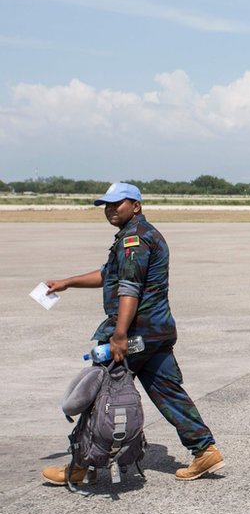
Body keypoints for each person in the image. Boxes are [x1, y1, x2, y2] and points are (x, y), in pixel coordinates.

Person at [42, 183, 224, 484]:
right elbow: (108, 274)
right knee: (168, 391)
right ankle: (204, 450)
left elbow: (129, 288)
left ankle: (80, 465)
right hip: (158, 331)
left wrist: (119, 335)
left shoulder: (134, 238)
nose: (111, 209)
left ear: (136, 206)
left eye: (118, 204)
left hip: (135, 334)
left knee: (97, 394)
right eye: (106, 205)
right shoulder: (140, 234)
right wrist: (67, 282)